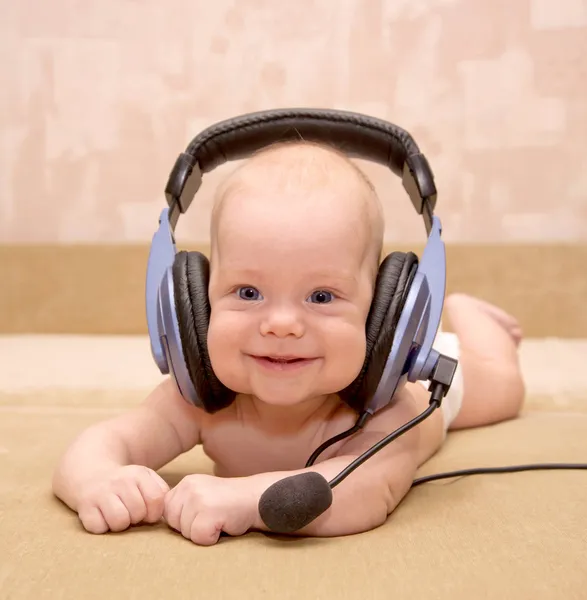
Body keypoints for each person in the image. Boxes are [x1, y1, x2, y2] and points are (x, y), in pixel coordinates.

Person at [51, 140, 525, 546]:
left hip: (445, 385)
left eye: (321, 296)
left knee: (503, 387)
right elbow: (101, 443)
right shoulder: (198, 398)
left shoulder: (387, 407)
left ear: (383, 312)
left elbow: (364, 492)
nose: (281, 324)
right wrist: (96, 479)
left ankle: (470, 315)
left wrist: (249, 499)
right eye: (248, 292)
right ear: (195, 304)